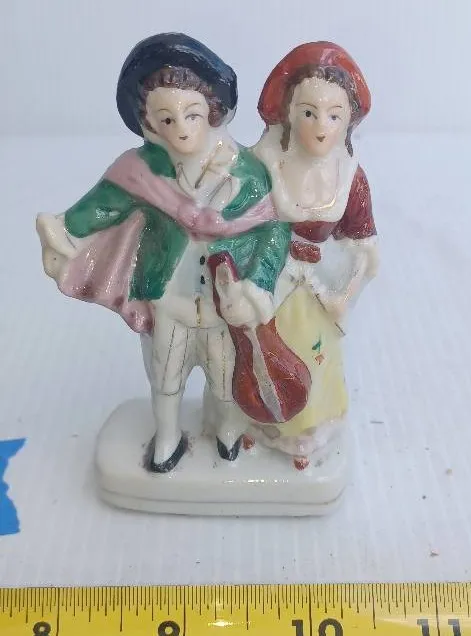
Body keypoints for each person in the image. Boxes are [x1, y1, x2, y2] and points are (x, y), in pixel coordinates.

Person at [37, 33, 291, 472]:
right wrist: (64, 231)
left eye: (192, 114)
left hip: (223, 305)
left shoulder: (248, 173)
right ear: (149, 123)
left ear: (212, 111)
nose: (181, 129)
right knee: (165, 376)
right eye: (166, 119)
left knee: (226, 378)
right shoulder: (142, 170)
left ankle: (228, 434)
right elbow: (103, 205)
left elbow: (273, 230)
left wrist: (258, 281)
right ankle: (168, 438)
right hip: (168, 299)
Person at [252, 41, 379, 469]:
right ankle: (257, 418)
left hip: (319, 286)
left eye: (334, 115)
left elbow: (363, 243)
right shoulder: (264, 165)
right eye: (309, 113)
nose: (321, 127)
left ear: (348, 121)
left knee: (314, 352)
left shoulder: (350, 177)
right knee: (261, 350)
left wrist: (347, 290)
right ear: (289, 114)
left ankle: (309, 426)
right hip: (269, 279)